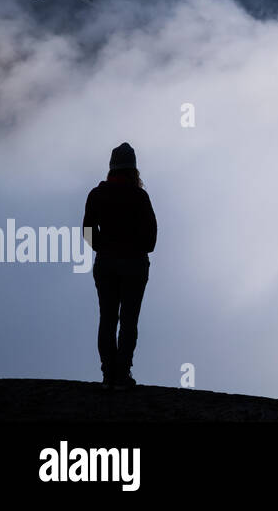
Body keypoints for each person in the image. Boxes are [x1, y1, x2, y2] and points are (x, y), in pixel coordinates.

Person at [82, 143, 157, 390]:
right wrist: (134, 248)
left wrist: (103, 248)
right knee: (128, 321)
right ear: (133, 169)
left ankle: (108, 374)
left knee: (107, 318)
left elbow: (88, 231)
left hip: (106, 264)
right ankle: (122, 374)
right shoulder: (140, 196)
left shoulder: (97, 195)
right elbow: (151, 239)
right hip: (134, 265)